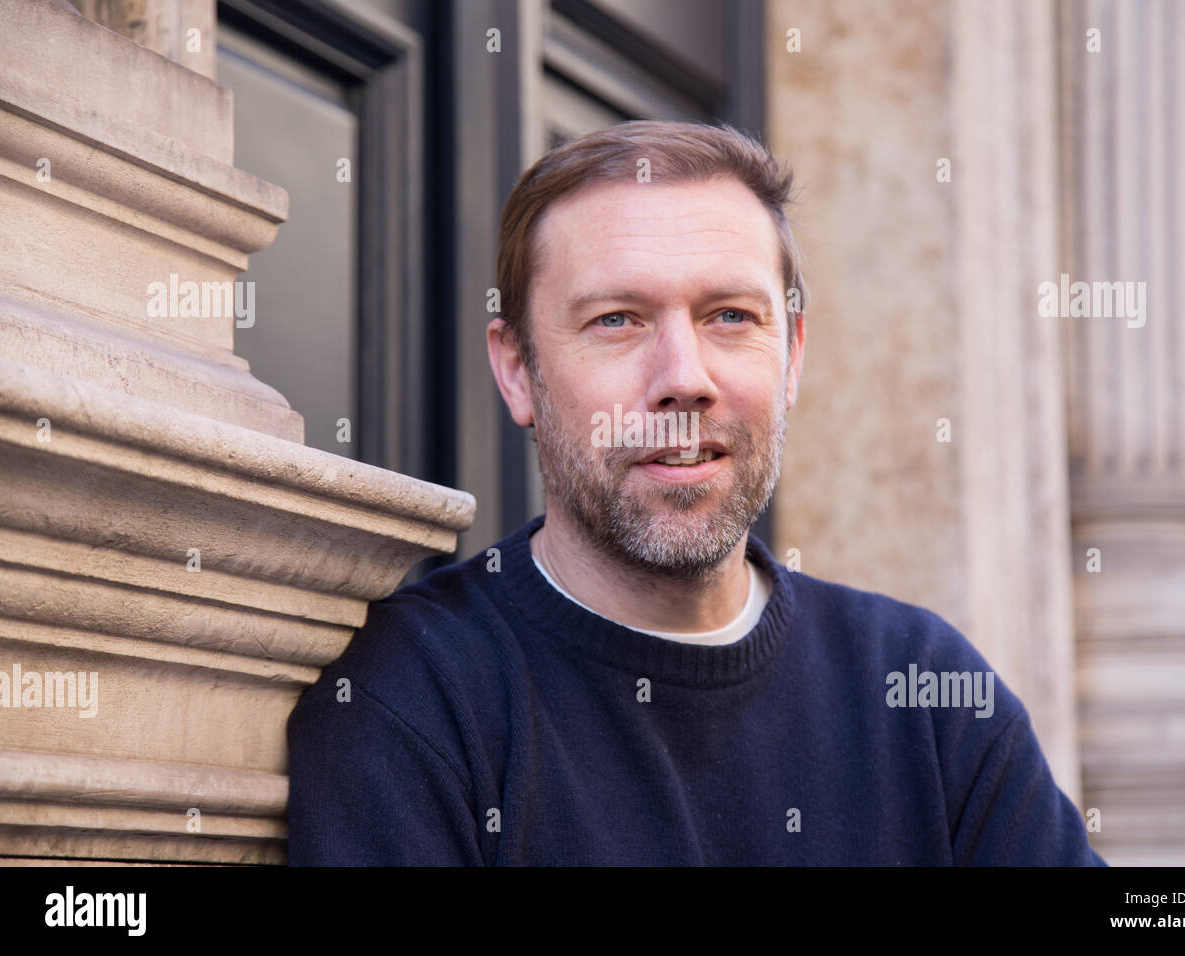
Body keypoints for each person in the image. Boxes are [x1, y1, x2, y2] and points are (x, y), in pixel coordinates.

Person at [286, 120, 1105, 866]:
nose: (685, 378)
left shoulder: (924, 691)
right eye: (617, 320)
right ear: (517, 371)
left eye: (729, 317)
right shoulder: (415, 698)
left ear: (791, 359)